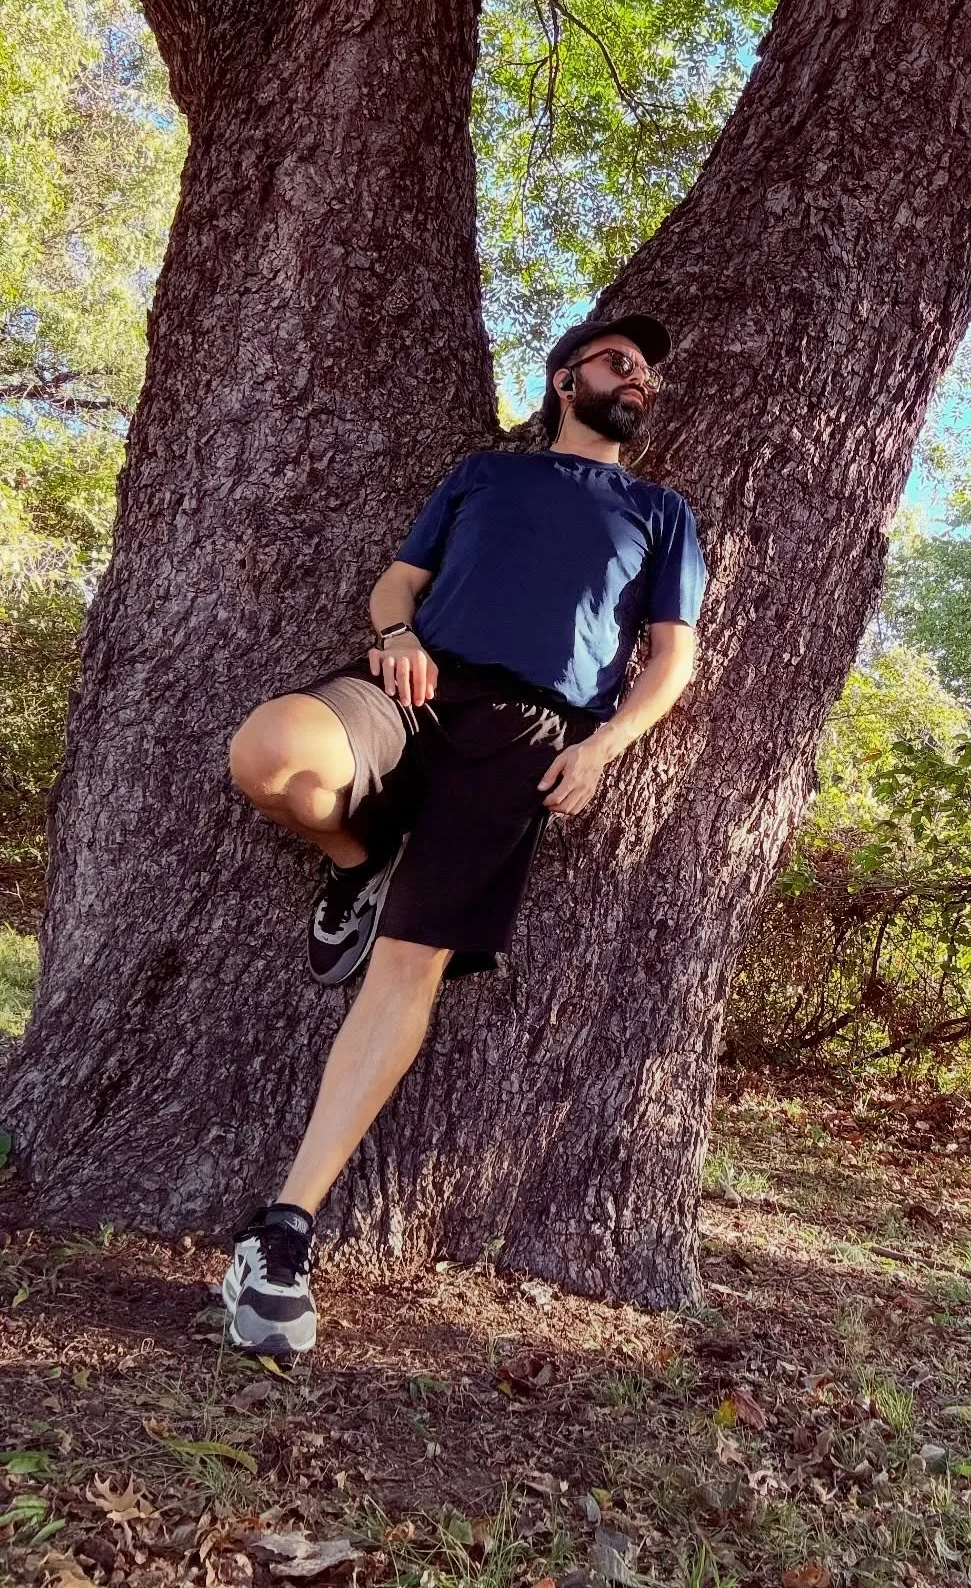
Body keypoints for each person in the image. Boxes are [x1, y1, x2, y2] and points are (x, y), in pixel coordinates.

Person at [221, 312, 705, 1360]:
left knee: (408, 971)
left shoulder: (661, 513)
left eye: (651, 376)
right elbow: (400, 583)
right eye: (621, 362)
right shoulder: (487, 473)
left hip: (529, 735)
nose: (641, 382)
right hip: (415, 688)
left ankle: (281, 1236)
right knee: (267, 756)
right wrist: (393, 635)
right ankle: (357, 864)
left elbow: (673, 657)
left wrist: (606, 745)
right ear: (566, 377)